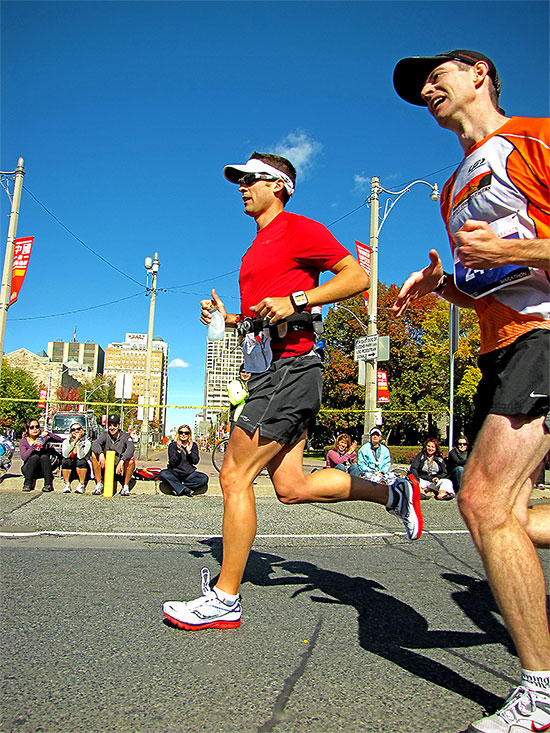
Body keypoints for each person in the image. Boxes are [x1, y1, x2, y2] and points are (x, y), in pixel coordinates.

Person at [163, 151, 423, 632]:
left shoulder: (300, 228)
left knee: (233, 476)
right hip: (270, 370)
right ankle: (395, 495)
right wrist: (230, 319)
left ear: (279, 185)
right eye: (238, 181)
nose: (242, 186)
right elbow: (266, 315)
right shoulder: (255, 248)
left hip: (293, 367)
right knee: (292, 486)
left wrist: (298, 299)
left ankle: (225, 599)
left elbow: (358, 277)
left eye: (251, 179)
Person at [393, 49, 550, 732]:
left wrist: (515, 251)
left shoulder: (536, 138)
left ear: (480, 73)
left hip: (543, 334)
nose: (427, 88)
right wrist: (446, 287)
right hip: (500, 347)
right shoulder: (453, 187)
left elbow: (516, 259)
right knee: (496, 507)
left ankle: (541, 692)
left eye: (438, 74)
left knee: (485, 499)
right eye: (420, 87)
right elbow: (488, 278)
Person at [91, 414, 135, 496]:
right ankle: (99, 484)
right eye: (110, 425)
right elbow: (95, 444)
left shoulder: (125, 436)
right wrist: (100, 454)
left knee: (131, 460)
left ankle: (125, 486)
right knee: (94, 455)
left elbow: (131, 448)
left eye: (114, 425)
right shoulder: (104, 435)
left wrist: (122, 460)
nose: (112, 428)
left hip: (120, 469)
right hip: (107, 466)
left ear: (119, 425)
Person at [158, 425, 208, 497]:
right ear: (178, 434)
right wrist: (178, 451)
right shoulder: (173, 445)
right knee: (163, 474)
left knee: (204, 478)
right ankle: (184, 489)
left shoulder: (193, 445)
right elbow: (172, 462)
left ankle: (179, 487)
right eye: (181, 432)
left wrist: (189, 452)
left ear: (189, 434)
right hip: (175, 473)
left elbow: (195, 461)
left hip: (189, 474)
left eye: (186, 433)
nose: (183, 434)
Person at [19, 418, 62, 492]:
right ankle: (27, 484)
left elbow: (60, 439)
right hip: (29, 468)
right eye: (32, 427)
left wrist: (48, 433)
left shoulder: (43, 438)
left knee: (44, 457)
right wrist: (33, 446)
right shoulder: (23, 441)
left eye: (37, 427)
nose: (35, 429)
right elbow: (24, 457)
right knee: (35, 457)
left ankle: (48, 484)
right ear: (27, 429)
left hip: (42, 469)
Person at [61, 421, 92, 494]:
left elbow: (81, 456)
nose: (76, 431)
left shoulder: (87, 442)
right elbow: (65, 455)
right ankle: (66, 484)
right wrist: (73, 442)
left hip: (83, 468)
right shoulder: (66, 441)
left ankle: (81, 484)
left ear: (82, 430)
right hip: (71, 468)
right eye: (73, 430)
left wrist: (78, 443)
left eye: (78, 429)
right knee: (65, 461)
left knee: (81, 461)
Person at [227, 365, 250, 430]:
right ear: (239, 373)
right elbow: (234, 401)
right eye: (243, 372)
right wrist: (245, 391)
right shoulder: (234, 383)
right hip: (237, 420)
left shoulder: (253, 383)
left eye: (248, 372)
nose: (245, 374)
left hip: (250, 420)